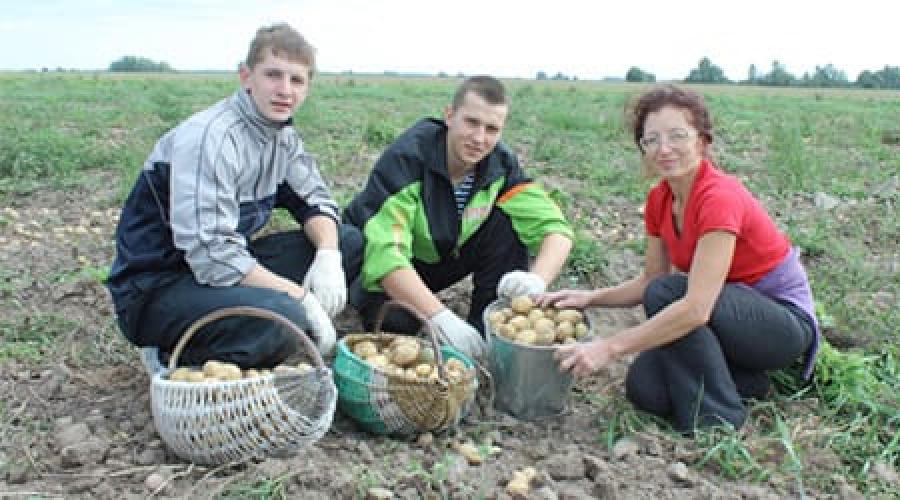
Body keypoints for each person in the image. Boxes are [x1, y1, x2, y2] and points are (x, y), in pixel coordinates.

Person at [539, 85, 819, 432]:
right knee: (646, 388)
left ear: (702, 141)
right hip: (728, 320)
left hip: (780, 327)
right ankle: (749, 383)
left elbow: (696, 308)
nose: (664, 149)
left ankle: (717, 421)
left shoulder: (719, 196)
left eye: (677, 136)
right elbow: (649, 280)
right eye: (651, 139)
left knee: (669, 294)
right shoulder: (660, 200)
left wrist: (609, 349)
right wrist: (590, 298)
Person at [106, 23, 362, 368]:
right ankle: (172, 352)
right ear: (246, 76)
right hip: (158, 286)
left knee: (346, 242)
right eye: (273, 75)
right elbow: (212, 254)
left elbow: (314, 200)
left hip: (218, 274)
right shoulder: (210, 137)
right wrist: (300, 297)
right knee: (284, 316)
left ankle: (254, 329)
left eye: (297, 80)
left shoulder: (280, 138)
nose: (285, 90)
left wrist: (329, 256)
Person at [344, 76, 574, 359]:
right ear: (449, 115)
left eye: (492, 129)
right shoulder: (407, 159)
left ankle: (486, 328)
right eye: (472, 122)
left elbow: (556, 230)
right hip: (379, 265)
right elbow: (386, 255)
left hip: (443, 254)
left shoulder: (499, 164)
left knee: (509, 222)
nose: (480, 139)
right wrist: (440, 316)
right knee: (398, 324)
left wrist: (537, 280)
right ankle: (380, 305)